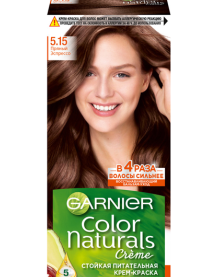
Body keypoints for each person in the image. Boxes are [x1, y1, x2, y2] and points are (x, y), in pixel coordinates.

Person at [48, 24, 171, 229]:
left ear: (145, 80)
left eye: (121, 74)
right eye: (88, 73)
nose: (103, 92)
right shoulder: (51, 173)